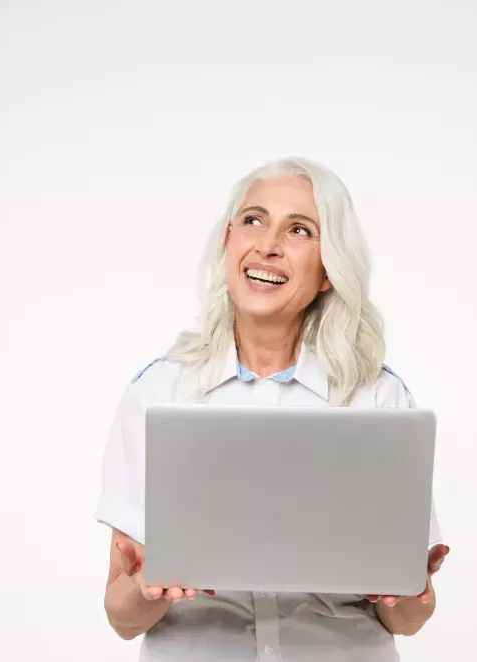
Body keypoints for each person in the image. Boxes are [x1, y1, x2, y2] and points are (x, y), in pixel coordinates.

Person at [95, 157, 449, 661]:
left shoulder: (378, 399)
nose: (268, 245)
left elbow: (407, 620)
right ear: (228, 242)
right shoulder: (157, 394)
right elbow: (121, 617)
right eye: (253, 220)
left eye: (299, 230)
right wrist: (145, 587)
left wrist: (413, 593)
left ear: (329, 270)